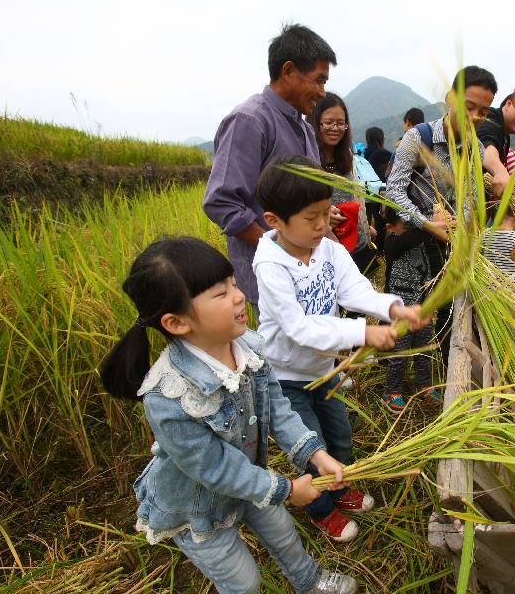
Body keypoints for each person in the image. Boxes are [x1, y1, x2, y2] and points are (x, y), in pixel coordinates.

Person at [99, 236, 357, 594]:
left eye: (233, 284)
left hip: (249, 480)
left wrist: (314, 453)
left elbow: (277, 407)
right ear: (176, 323)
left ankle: (310, 583)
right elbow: (216, 468)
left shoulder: (248, 346)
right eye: (220, 294)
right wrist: (285, 489)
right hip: (196, 505)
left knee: (284, 533)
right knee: (243, 581)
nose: (238, 296)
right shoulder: (167, 395)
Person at [252, 156, 429, 542]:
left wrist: (394, 308)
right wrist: (363, 334)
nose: (323, 224)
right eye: (311, 217)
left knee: (341, 437)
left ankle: (339, 486)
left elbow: (354, 290)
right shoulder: (270, 265)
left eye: (325, 212)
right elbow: (299, 328)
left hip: (322, 370)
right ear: (274, 221)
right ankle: (320, 508)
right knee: (309, 447)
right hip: (285, 377)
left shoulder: (328, 249)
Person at [203, 24, 339, 319]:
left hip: (308, 276)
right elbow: (221, 202)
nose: (322, 92)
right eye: (318, 80)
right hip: (272, 283)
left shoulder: (303, 128)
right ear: (288, 71)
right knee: (278, 361)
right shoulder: (249, 121)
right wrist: (282, 247)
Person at [386, 65, 497, 369]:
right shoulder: (417, 138)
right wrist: (426, 223)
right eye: (468, 106)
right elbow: (393, 191)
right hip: (411, 243)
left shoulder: (474, 146)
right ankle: (394, 383)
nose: (474, 116)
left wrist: (459, 228)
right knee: (409, 311)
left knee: (447, 312)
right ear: (450, 97)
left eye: (483, 112)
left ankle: (439, 376)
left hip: (446, 248)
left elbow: (471, 197)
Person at [309, 92, 378, 276]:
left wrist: (364, 226)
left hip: (357, 244)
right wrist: (321, 215)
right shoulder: (307, 159)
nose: (335, 128)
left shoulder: (346, 154)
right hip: (325, 251)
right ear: (315, 123)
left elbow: (355, 196)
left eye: (341, 123)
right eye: (329, 122)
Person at [381, 206, 438, 412]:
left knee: (423, 348)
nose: (412, 228)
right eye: (406, 224)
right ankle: (391, 391)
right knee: (401, 351)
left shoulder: (423, 241)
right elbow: (411, 238)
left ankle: (423, 385)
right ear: (390, 227)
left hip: (423, 304)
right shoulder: (393, 244)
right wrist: (429, 225)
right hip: (401, 307)